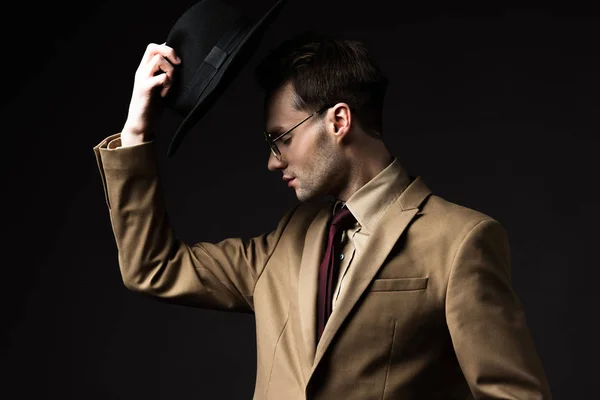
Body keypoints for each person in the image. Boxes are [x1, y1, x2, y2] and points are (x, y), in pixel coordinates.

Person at [93, 31, 552, 399]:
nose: (273, 161)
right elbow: (152, 268)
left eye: (281, 139)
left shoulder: (460, 240)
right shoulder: (288, 240)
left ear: (338, 121)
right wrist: (136, 129)